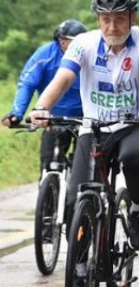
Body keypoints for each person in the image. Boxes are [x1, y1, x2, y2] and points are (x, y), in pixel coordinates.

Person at [30, 0, 139, 254]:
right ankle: (80, 268)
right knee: (74, 202)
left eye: (119, 19)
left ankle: (138, 210)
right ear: (98, 20)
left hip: (134, 125)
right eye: (106, 19)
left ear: (132, 18)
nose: (112, 27)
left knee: (136, 158)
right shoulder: (84, 44)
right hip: (94, 127)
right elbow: (64, 77)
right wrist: (42, 106)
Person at [3, 19, 87, 172]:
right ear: (62, 41)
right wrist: (17, 113)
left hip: (85, 118)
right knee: (48, 165)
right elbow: (27, 83)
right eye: (76, 41)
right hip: (53, 119)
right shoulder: (45, 55)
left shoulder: (89, 55)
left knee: (85, 169)